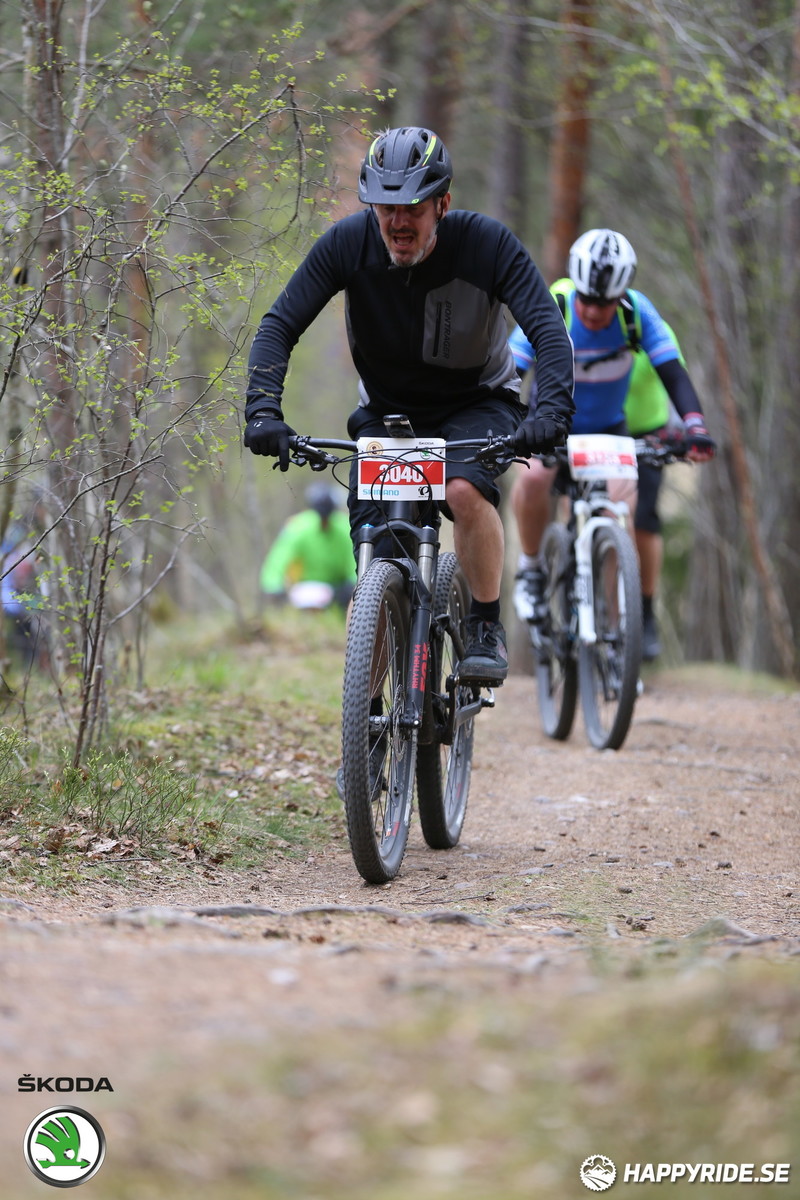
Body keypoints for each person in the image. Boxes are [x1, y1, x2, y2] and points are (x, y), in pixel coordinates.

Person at [243, 126, 575, 686]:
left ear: (442, 204)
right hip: (389, 413)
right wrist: (262, 410)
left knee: (463, 488)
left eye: (413, 207)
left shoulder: (487, 245)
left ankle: (485, 625)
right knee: (377, 555)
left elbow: (547, 328)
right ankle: (366, 727)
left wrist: (551, 414)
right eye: (385, 207)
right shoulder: (348, 245)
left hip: (478, 405)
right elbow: (279, 325)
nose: (398, 221)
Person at [507, 228, 716, 661]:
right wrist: (509, 422)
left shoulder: (637, 313)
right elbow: (513, 370)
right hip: (552, 426)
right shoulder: (556, 303)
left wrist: (694, 426)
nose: (595, 311)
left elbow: (672, 371)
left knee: (621, 509)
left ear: (622, 295)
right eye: (588, 299)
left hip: (609, 431)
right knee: (533, 480)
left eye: (605, 303)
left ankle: (621, 626)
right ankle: (530, 571)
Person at [260, 482, 356, 610]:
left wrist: (355, 584)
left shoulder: (344, 527)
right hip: (306, 588)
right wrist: (273, 585)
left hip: (339, 590)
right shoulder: (299, 526)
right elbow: (279, 558)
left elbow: (353, 561)